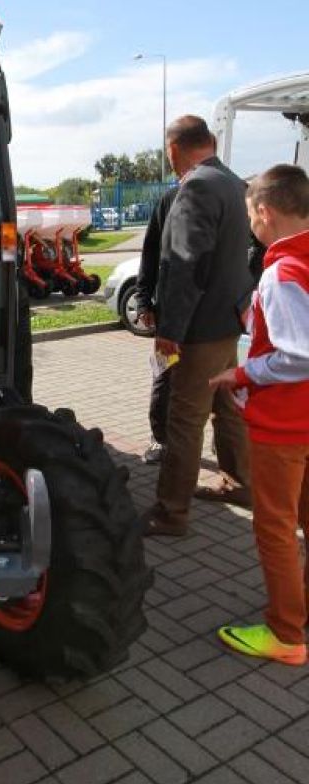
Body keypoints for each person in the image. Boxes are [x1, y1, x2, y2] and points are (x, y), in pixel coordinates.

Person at [209, 164, 309, 664]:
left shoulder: (282, 270)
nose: (250, 222)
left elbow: (299, 354)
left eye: (250, 213)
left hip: (285, 426)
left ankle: (287, 634)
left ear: (265, 211)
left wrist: (242, 375)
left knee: (274, 527)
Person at [142, 115, 252, 536]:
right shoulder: (233, 182)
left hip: (199, 328)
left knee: (184, 418)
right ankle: (240, 483)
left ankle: (171, 513)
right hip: (229, 321)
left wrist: (170, 329)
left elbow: (186, 265)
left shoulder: (197, 186)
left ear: (175, 149)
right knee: (228, 409)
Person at [136, 185, 179, 463]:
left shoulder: (236, 191)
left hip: (215, 320)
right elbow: (151, 249)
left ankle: (227, 453)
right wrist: (143, 300)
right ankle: (159, 439)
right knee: (164, 374)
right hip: (171, 315)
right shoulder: (170, 199)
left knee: (217, 387)